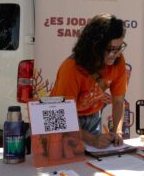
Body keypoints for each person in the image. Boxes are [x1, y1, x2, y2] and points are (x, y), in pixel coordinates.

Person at [51, 14, 127, 148]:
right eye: (110, 49)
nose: (116, 54)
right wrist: (91, 139)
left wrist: (117, 132)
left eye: (119, 48)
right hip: (68, 120)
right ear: (95, 46)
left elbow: (119, 101)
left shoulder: (118, 61)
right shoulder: (71, 69)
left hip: (93, 117)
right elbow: (61, 117)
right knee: (67, 162)